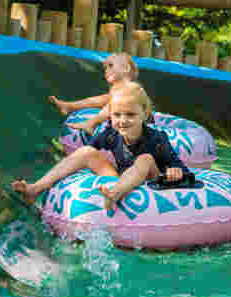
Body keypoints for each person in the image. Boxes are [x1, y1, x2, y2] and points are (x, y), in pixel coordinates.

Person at [13, 81, 189, 212]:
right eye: (117, 115)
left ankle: (114, 195)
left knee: (145, 159)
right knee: (86, 152)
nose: (122, 120)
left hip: (150, 183)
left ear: (145, 114)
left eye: (130, 115)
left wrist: (175, 172)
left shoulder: (157, 139)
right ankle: (35, 188)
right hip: (120, 179)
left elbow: (182, 170)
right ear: (110, 115)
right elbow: (86, 155)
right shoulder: (111, 133)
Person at [49, 52, 153, 135]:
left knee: (113, 102)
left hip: (143, 125)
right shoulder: (117, 90)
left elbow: (114, 108)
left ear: (126, 68)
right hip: (131, 121)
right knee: (101, 99)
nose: (106, 70)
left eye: (111, 66)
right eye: (105, 68)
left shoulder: (131, 87)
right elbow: (95, 102)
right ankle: (69, 106)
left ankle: (90, 123)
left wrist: (93, 121)